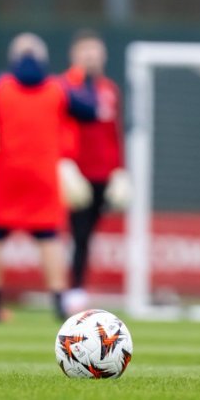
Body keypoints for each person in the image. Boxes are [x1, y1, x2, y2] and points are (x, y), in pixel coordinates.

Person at [0, 33, 96, 322]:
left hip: (5, 173)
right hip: (42, 175)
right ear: (42, 59)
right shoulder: (57, 89)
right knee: (49, 237)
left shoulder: (0, 87)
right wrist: (86, 78)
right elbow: (89, 111)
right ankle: (58, 302)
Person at [58, 29, 127, 313]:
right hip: (74, 172)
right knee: (75, 232)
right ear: (74, 55)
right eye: (85, 51)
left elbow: (113, 133)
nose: (91, 56)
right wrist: (62, 163)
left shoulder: (109, 89)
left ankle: (75, 288)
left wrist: (120, 170)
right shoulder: (63, 86)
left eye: (95, 51)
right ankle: (71, 290)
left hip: (103, 173)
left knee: (87, 235)